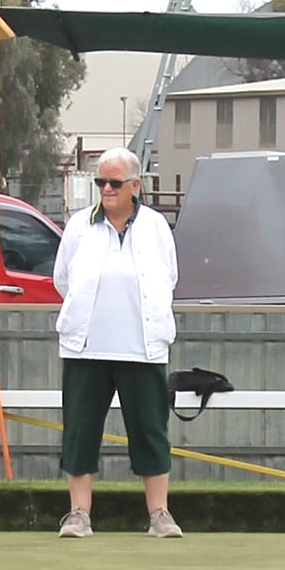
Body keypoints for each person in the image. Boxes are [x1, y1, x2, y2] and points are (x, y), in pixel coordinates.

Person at [53, 147, 182, 539]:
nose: (106, 189)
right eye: (100, 183)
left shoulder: (156, 226)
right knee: (80, 430)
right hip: (86, 347)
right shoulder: (79, 225)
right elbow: (63, 279)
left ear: (135, 186)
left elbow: (170, 277)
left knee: (150, 431)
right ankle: (78, 513)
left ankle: (159, 513)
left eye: (114, 183)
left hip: (142, 347)